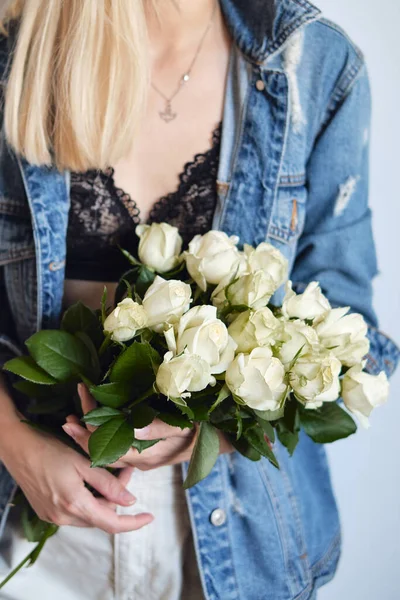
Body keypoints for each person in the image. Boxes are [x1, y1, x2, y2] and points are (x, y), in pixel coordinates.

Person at [0, 0, 398, 599]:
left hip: (238, 545)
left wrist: (211, 429)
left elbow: (350, 330)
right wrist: (14, 444)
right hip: (32, 527)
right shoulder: (18, 53)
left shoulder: (314, 62)